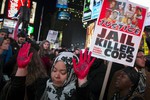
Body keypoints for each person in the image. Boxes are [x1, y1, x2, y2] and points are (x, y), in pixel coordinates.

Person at [2, 43, 96, 100]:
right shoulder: (41, 85)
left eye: (63, 72)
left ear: (72, 74)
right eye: (54, 70)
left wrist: (82, 79)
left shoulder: (78, 93)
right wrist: (21, 69)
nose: (56, 75)